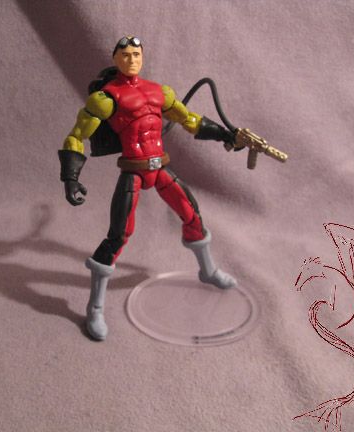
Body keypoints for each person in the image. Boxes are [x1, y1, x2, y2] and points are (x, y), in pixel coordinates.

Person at [59, 36, 237, 341]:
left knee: (192, 215)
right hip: (134, 171)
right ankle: (95, 308)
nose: (132, 60)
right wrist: (70, 177)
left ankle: (208, 271)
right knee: (118, 235)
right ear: (116, 59)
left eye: (136, 54)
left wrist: (225, 135)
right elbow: (76, 136)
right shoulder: (106, 98)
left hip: (160, 167)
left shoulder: (159, 92)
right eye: (125, 55)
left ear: (142, 57)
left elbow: (190, 120)